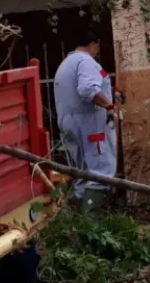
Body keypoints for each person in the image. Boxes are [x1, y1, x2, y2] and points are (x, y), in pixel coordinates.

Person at [53, 30, 117, 212]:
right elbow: (88, 90)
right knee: (101, 169)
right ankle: (92, 222)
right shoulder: (86, 62)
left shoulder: (66, 64)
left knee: (83, 171)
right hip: (89, 125)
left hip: (69, 123)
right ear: (93, 44)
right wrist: (110, 106)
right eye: (97, 46)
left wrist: (112, 93)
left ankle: (77, 220)